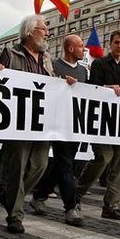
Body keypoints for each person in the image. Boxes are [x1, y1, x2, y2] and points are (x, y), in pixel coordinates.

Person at [0, 15, 53, 233]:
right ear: (29, 32)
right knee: (17, 167)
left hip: (40, 122)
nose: (46, 33)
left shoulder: (46, 58)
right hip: (17, 122)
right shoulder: (11, 53)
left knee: (40, 165)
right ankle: (15, 215)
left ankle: (9, 195)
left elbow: (51, 84)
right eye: (43, 29)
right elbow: (0, 80)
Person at [75, 30, 120, 221]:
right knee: (103, 157)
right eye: (117, 42)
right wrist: (109, 88)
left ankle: (111, 204)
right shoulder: (100, 63)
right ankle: (75, 195)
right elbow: (92, 88)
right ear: (110, 44)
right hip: (103, 120)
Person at [30, 34, 87, 226]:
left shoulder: (84, 71)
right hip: (57, 121)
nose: (84, 49)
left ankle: (39, 195)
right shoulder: (53, 66)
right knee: (65, 164)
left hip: (76, 123)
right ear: (70, 48)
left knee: (63, 164)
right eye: (80, 46)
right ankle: (71, 207)